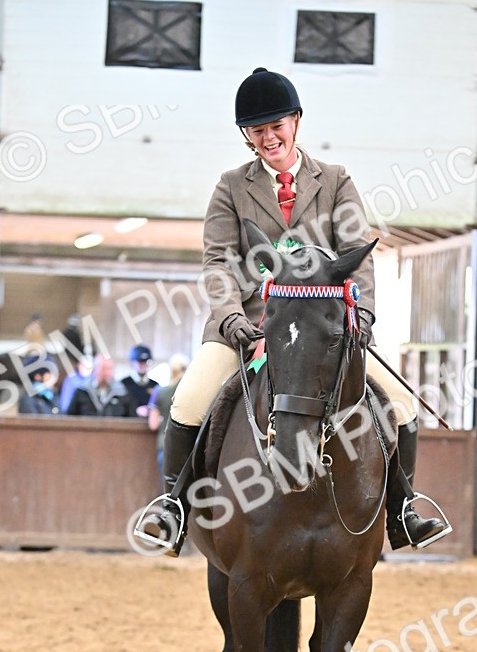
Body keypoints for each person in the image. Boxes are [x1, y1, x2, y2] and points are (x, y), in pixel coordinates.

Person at [147, 67, 451, 556]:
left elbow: (357, 250)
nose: (268, 138)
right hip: (248, 326)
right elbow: (218, 260)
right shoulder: (231, 187)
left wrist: (363, 315)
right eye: (257, 131)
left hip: (323, 328)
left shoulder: (334, 181)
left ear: (296, 121)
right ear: (247, 136)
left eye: (276, 126)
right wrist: (230, 318)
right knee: (188, 401)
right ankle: (172, 508)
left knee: (402, 403)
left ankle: (402, 511)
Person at [148, 354, 190, 484]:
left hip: (165, 443)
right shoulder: (190, 392)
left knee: (168, 488)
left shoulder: (159, 391)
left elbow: (153, 424)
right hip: (188, 445)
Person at [66, 355, 131, 417]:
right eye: (104, 369)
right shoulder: (82, 391)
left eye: (110, 369)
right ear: (95, 370)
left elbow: (131, 418)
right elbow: (70, 417)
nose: (107, 373)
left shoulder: (122, 392)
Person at [121, 344, 155, 417]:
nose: (142, 365)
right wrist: (135, 410)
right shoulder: (123, 384)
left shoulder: (155, 385)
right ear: (132, 362)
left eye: (145, 362)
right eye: (139, 362)